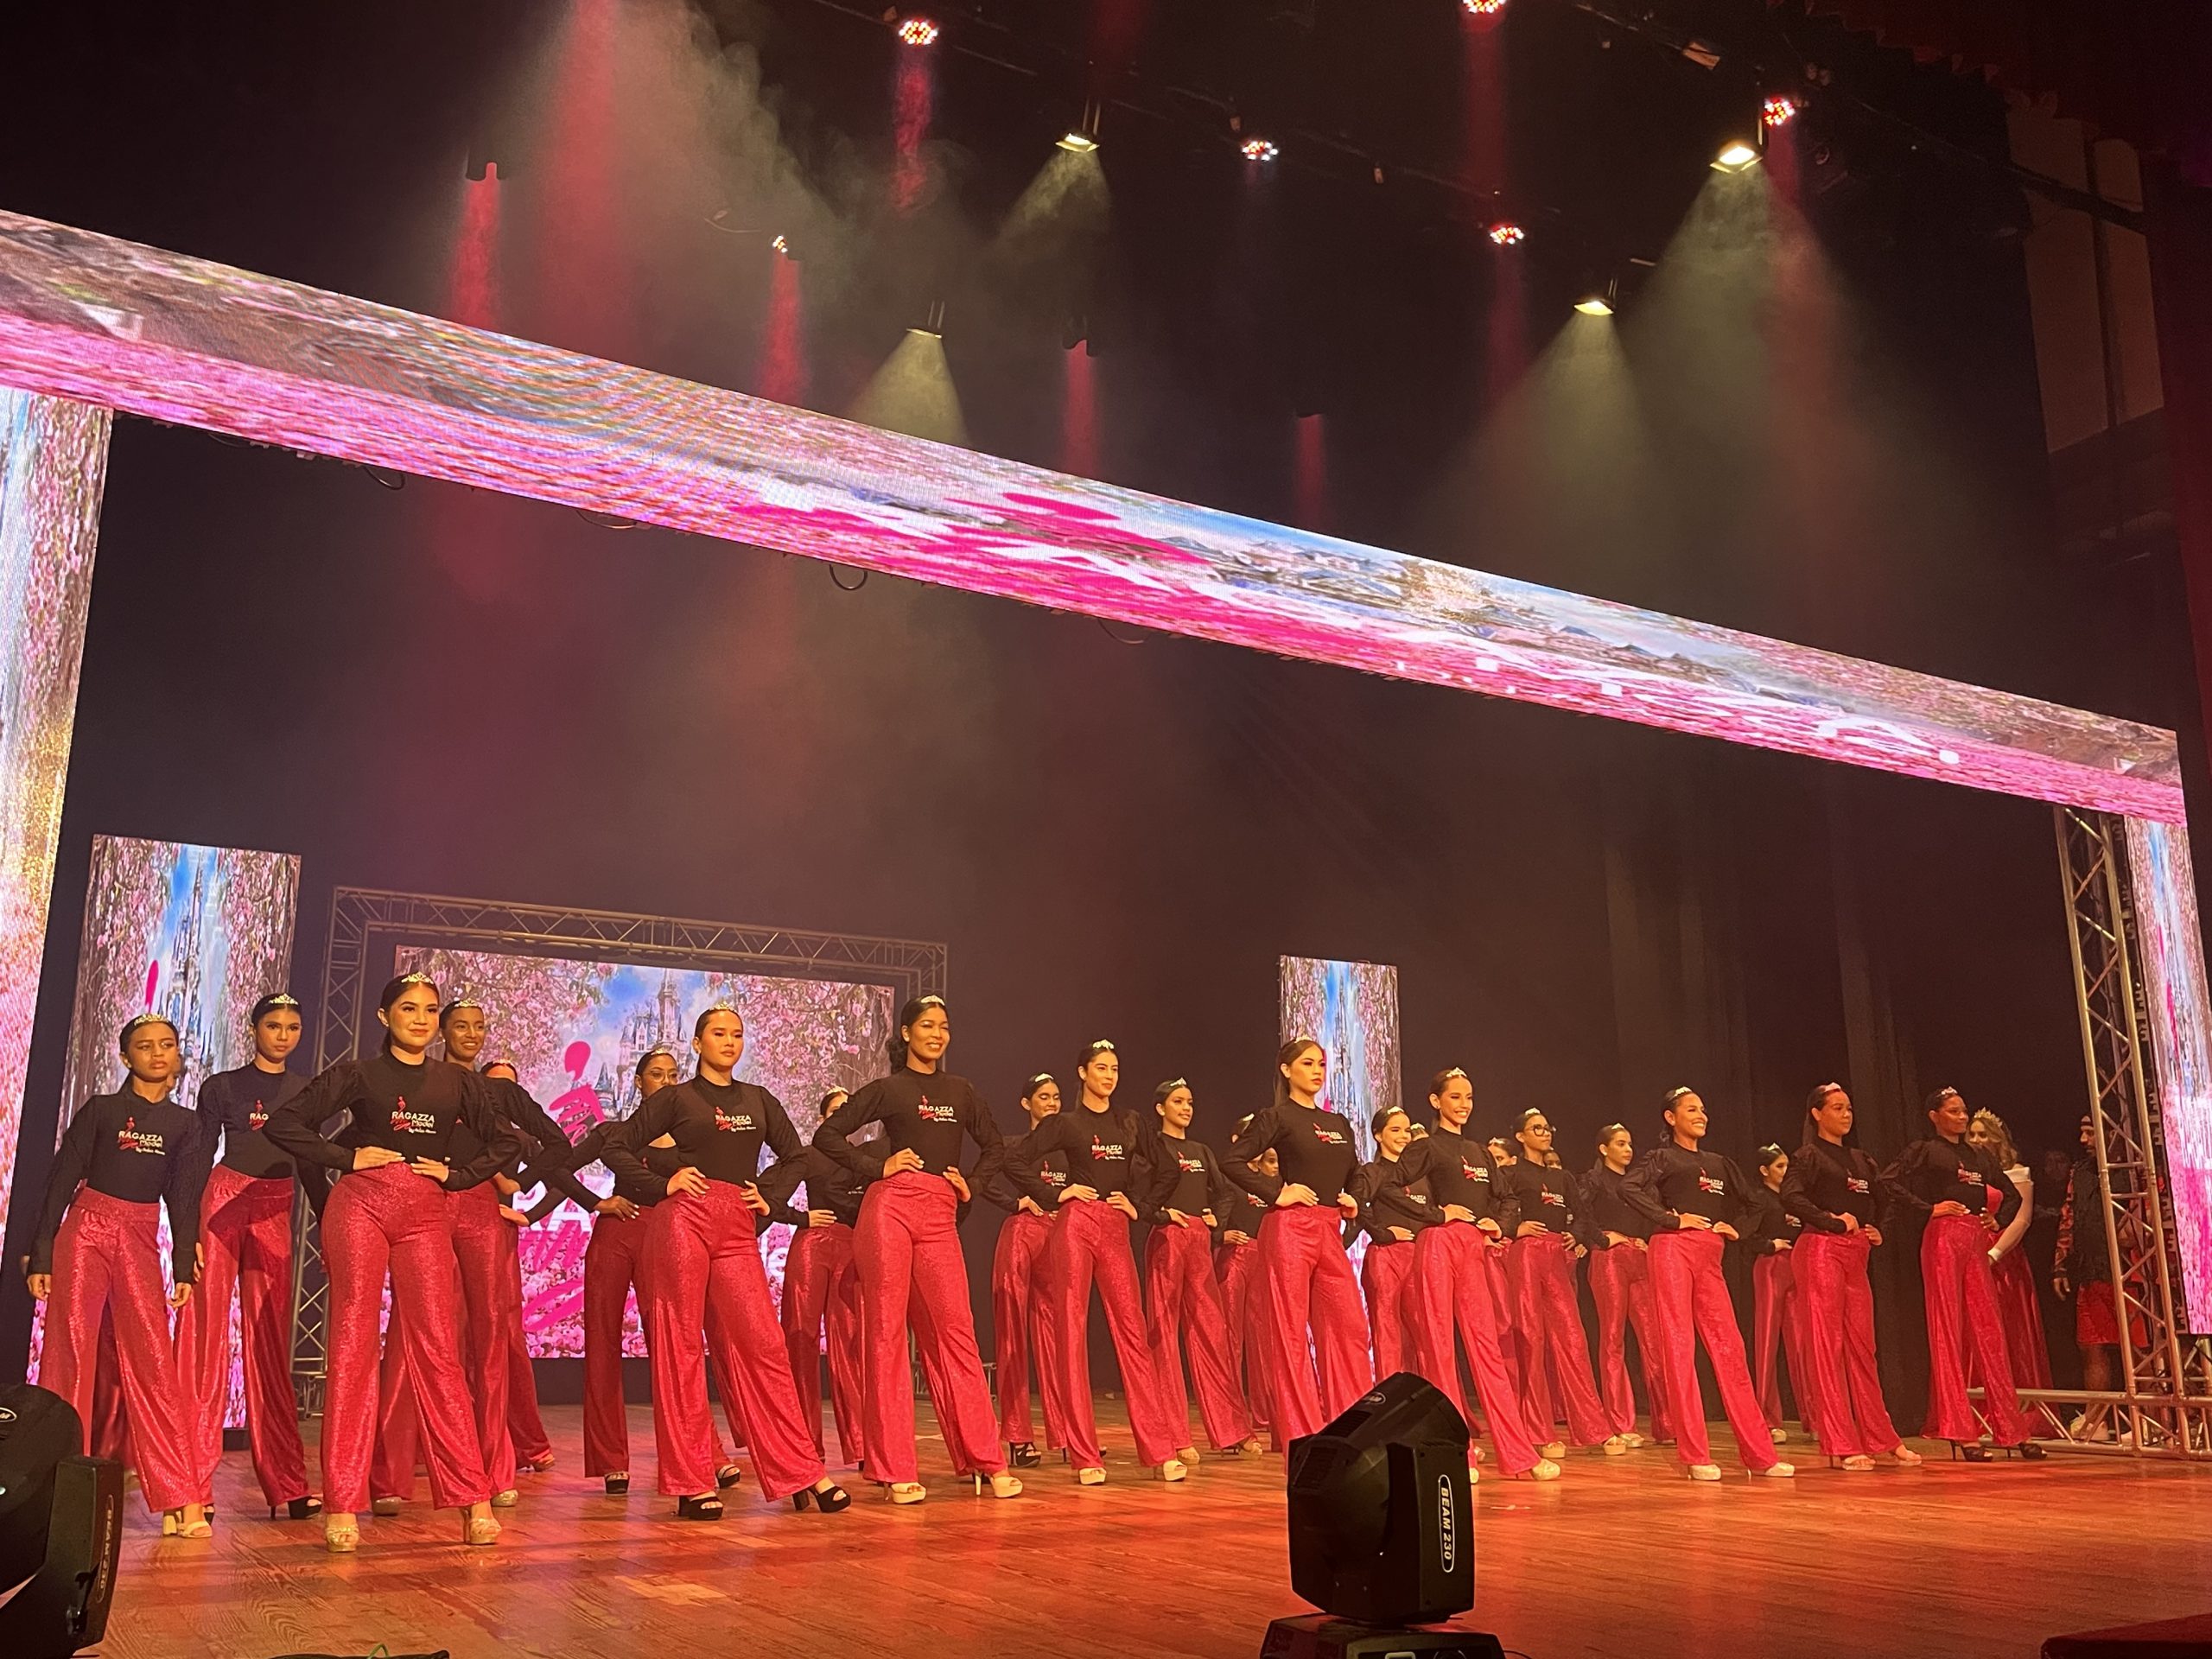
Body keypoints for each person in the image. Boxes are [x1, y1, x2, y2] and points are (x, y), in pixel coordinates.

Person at [263, 973, 520, 1551]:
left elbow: (506, 1142)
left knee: (438, 1350)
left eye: (429, 1010)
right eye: (409, 1009)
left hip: (426, 1213)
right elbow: (285, 1124)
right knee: (353, 1345)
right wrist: (344, 1156)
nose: (421, 1019)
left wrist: (458, 1176)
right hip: (360, 1207)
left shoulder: (457, 1081)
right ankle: (342, 1503)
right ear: (385, 1017)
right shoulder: (359, 1074)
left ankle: (473, 1499)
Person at [601, 1005, 850, 1519]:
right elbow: (616, 1146)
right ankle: (691, 1482)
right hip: (683, 1222)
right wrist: (663, 1183)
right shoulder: (676, 1098)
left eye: (737, 1034)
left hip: (735, 1227)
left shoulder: (758, 1100)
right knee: (681, 1346)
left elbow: (797, 1156)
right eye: (719, 1034)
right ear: (698, 1043)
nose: (730, 1042)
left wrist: (769, 1197)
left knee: (764, 1344)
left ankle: (801, 1469)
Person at [813, 995, 1023, 1504]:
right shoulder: (889, 1089)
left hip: (939, 1214)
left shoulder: (961, 1090)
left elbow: (994, 1146)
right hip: (889, 1210)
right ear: (906, 1033)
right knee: (887, 1334)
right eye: (927, 1025)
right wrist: (876, 1168)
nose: (937, 1034)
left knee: (958, 1333)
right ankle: (894, 1467)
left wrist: (972, 1183)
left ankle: (986, 1457)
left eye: (944, 1026)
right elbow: (828, 1134)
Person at [29, 1014, 213, 1536]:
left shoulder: (186, 1125)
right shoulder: (102, 1110)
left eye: (167, 1044)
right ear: (125, 1056)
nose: (157, 1053)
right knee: (68, 1356)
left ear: (178, 1055)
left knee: (154, 1361)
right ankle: (56, 1489)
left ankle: (180, 1495)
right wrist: (41, 1253)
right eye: (144, 1045)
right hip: (85, 1231)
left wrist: (182, 1262)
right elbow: (61, 1179)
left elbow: (183, 1197)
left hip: (138, 1236)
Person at [1006, 1040, 1187, 1483]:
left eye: (1115, 1069)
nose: (1109, 1076)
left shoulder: (1131, 1122)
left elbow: (1169, 1169)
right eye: (1101, 1068)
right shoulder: (1066, 1123)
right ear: (1083, 1073)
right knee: (1071, 1331)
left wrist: (1141, 1207)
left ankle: (1159, 1450)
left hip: (1115, 1226)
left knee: (1133, 1333)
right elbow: (1013, 1160)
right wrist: (1055, 1194)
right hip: (1075, 1224)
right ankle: (1085, 1455)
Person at [175, 992, 317, 1522]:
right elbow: (197, 1157)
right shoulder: (223, 1086)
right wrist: (185, 1232)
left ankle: (288, 1483)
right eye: (273, 1025)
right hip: (224, 1202)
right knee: (204, 1340)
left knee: (270, 1341)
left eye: (292, 1027)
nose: (283, 1035)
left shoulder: (306, 1090)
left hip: (275, 1206)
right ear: (254, 1029)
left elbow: (311, 1161)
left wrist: (331, 1223)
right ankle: (192, 1485)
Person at [1376, 1069, 1554, 1479]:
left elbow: (1507, 1198)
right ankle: (1456, 1454)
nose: (1463, 1104)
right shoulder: (1427, 1147)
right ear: (1436, 1101)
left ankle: (1518, 1455)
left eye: (1468, 1097)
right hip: (1437, 1245)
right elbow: (1386, 1185)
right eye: (1455, 1097)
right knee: (1438, 1349)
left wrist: (1498, 1225)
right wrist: (1435, 1214)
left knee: (1486, 1348)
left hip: (1472, 1247)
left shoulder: (1479, 1152)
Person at [527, 1046, 677, 1492]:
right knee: (603, 1342)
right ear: (638, 1082)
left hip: (664, 1237)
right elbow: (557, 1167)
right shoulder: (615, 1132)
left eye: (673, 1075)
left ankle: (698, 1451)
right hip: (615, 1234)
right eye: (657, 1074)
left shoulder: (692, 1138)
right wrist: (596, 1203)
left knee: (673, 1345)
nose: (666, 1082)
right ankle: (612, 1460)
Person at [1622, 1088, 1792, 1481]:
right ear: (1671, 1118)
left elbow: (1755, 1203)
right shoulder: (1662, 1158)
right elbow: (1627, 1187)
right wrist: (1671, 1219)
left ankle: (1760, 1454)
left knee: (1730, 1348)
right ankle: (1696, 1454)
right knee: (1680, 1348)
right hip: (1672, 1250)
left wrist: (1737, 1229)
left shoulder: (1719, 1163)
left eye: (1702, 1109)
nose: (1701, 1115)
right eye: (1691, 1110)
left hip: (1710, 1255)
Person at [1223, 1039, 1372, 1450]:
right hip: (1290, 1229)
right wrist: (1277, 1192)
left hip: (1328, 1229)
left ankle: (1352, 1435)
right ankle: (1302, 1441)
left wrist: (1353, 1198)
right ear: (1287, 1070)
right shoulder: (1277, 1117)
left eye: (1321, 1064)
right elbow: (1232, 1160)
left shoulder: (1338, 1123)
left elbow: (1356, 1171)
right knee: (1290, 1336)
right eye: (1308, 1063)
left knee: (1350, 1328)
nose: (1317, 1070)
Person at [1884, 1087, 2044, 1462]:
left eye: (1963, 1111)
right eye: (1953, 1111)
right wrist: (1929, 1208)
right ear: (1934, 1116)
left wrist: (1997, 1220)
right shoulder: (1925, 1150)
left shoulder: (1978, 1156)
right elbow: (1889, 1181)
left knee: (1990, 1331)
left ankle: (2012, 1430)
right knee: (1948, 1330)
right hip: (1943, 1239)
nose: (1961, 1117)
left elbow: (2011, 1194)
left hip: (1974, 1239)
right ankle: (1961, 1431)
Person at [1782, 1084, 1921, 1471]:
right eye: (1837, 1108)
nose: (1846, 1115)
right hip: (1820, 1250)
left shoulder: (1861, 1160)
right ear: (1817, 1113)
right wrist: (1831, 1221)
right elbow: (1790, 1196)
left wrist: (1878, 1229)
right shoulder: (1808, 1156)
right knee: (1828, 1347)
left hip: (1855, 1255)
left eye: (1849, 1109)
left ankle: (1881, 1437)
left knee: (1863, 1347)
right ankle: (1841, 1442)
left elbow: (1885, 1199)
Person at [1138, 1079, 1259, 1459]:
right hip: (1166, 1239)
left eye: (1189, 1102)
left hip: (1198, 1240)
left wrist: (1215, 1223)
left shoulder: (1201, 1151)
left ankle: (1231, 1430)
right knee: (1164, 1334)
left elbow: (1224, 1192)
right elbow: (1139, 1197)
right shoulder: (1152, 1149)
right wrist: (1162, 1215)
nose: (1186, 1108)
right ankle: (1175, 1435)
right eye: (1178, 1102)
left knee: (1211, 1332)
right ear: (1161, 1109)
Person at [1497, 1109, 1625, 1459]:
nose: (1545, 1133)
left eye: (1547, 1128)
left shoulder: (1563, 1177)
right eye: (1536, 1128)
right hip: (1525, 1254)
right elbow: (1494, 1209)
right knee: (1530, 1338)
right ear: (1521, 1136)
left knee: (1572, 1338)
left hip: (1555, 1255)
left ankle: (1595, 1428)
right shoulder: (1509, 1174)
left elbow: (1583, 1215)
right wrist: (1515, 1229)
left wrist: (1576, 1234)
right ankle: (1537, 1431)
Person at [772, 1090, 873, 1470]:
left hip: (850, 1249)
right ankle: (805, 1447)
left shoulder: (865, 1161)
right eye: (835, 1111)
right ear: (822, 1119)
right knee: (800, 1340)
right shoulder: (808, 1156)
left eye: (848, 1111)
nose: (842, 1117)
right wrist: (802, 1219)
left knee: (851, 1344)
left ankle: (861, 1445)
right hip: (812, 1246)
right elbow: (769, 1194)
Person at [979, 1074, 1068, 1468]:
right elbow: (980, 1180)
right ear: (1026, 1103)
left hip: (1057, 1238)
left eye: (1056, 1097)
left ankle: (1069, 1434)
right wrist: (1015, 1203)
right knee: (1012, 1334)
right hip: (1020, 1235)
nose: (1051, 1103)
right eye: (1043, 1097)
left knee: (1058, 1335)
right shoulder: (1012, 1146)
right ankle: (1018, 1437)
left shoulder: (1069, 1148)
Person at [1581, 1122, 1668, 1447]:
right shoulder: (1594, 1180)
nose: (1628, 1149)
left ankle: (1667, 1423)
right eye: (1620, 1144)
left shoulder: (1639, 1184)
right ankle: (1620, 1422)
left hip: (1639, 1259)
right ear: (1604, 1149)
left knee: (1653, 1339)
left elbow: (1654, 1215)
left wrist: (1647, 1240)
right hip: (1610, 1260)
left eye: (1630, 1144)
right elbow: (1579, 1211)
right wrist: (1602, 1239)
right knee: (1613, 1339)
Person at [2055, 1115, 2138, 1444]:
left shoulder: (2134, 1169)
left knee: (2140, 1348)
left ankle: (2150, 1420)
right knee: (2091, 1346)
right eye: (2082, 1131)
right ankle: (2097, 1420)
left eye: (2091, 1132)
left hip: (2131, 1273)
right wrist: (2060, 1264)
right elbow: (2068, 1216)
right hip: (2091, 1272)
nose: (2084, 1140)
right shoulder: (2080, 1172)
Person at [1967, 1108, 2050, 1390]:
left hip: (2003, 1254)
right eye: (1972, 1135)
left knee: (2008, 1325)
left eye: (1983, 1135)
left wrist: (1995, 1254)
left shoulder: (2016, 1173)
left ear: (1996, 1139)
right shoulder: (1968, 1174)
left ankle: (2018, 1401)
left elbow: (2022, 1220)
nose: (1976, 1140)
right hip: (1973, 1250)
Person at [1741, 1143, 1817, 1444]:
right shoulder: (1760, 1198)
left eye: (1787, 1166)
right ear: (1765, 1171)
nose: (1785, 1172)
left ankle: (1814, 1418)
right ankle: (1767, 1419)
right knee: (1767, 1343)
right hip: (1770, 1268)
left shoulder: (1795, 1200)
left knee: (1802, 1345)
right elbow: (1744, 1234)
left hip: (1797, 1269)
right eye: (1779, 1167)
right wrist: (1770, 1245)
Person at [1348, 1105, 1430, 1380]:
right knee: (1388, 1333)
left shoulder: (1421, 1175)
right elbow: (1358, 1205)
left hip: (1420, 1259)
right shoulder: (1371, 1172)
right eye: (1395, 1130)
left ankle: (1429, 1396)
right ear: (1378, 1135)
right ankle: (1390, 1398)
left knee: (1426, 1334)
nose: (1404, 1136)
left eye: (1406, 1130)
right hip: (1386, 1259)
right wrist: (1383, 1233)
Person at [1214, 1121, 1275, 1438]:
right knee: (1231, 1339)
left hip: (1262, 1263)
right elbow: (1211, 1218)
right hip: (1234, 1261)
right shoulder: (1227, 1180)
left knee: (1264, 1340)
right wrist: (1221, 1236)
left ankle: (1266, 1414)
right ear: (1238, 1139)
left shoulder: (1270, 1182)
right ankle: (1232, 1413)